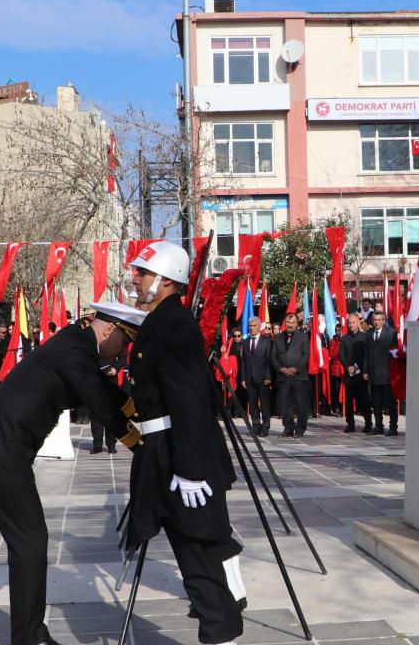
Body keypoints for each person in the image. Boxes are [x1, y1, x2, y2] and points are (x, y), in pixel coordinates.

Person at [0, 303, 138, 645]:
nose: (123, 349)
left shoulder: (75, 343)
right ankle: (28, 636)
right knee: (30, 542)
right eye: (124, 341)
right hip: (3, 451)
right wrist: (143, 446)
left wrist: (148, 410)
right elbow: (100, 401)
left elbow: (107, 392)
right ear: (109, 330)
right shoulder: (77, 349)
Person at [123, 241, 245, 645]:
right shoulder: (161, 320)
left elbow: (191, 401)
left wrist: (190, 471)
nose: (135, 279)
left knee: (197, 553)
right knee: (191, 551)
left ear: (162, 279)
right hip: (164, 448)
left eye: (142, 273)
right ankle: (221, 628)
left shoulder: (173, 324)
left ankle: (221, 632)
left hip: (179, 454)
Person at [272, 311, 310, 438]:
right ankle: (288, 428)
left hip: (299, 376)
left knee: (301, 404)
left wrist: (296, 368)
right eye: (288, 322)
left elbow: (306, 355)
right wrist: (280, 369)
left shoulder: (303, 337)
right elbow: (273, 356)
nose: (290, 325)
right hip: (283, 376)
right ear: (285, 323)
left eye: (293, 322)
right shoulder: (277, 337)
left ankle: (300, 428)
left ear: (297, 324)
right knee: (285, 405)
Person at [365, 309, 399, 436]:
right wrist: (365, 370)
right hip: (373, 374)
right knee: (376, 402)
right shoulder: (369, 333)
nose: (377, 322)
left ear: (384, 321)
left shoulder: (391, 333)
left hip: (386, 373)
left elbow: (394, 353)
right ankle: (378, 426)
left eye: (379, 320)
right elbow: (366, 354)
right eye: (375, 320)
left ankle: (393, 427)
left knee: (390, 402)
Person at [239, 316, 274, 436]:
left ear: (260, 327)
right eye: (250, 326)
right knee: (253, 404)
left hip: (263, 377)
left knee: (264, 404)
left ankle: (265, 427)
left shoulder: (267, 341)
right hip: (249, 378)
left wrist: (269, 377)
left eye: (254, 326)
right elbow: (243, 362)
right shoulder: (245, 342)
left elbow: (270, 360)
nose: (252, 328)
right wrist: (243, 378)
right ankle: (255, 427)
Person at [339, 313, 370, 433]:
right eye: (349, 323)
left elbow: (367, 355)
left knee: (364, 400)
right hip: (349, 374)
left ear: (358, 323)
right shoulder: (345, 338)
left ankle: (368, 423)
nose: (351, 325)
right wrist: (348, 366)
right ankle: (350, 424)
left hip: (362, 374)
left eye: (353, 322)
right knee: (349, 400)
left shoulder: (365, 337)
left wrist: (360, 369)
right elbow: (341, 354)